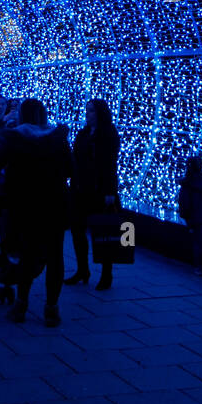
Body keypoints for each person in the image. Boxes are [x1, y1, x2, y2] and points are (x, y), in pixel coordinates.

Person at [0, 98, 72, 326]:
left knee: (27, 254)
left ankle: (21, 305)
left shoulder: (15, 138)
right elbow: (70, 169)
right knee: (55, 255)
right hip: (55, 204)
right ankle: (51, 309)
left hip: (25, 205)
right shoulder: (58, 138)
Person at [68, 98, 121, 289]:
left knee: (103, 232)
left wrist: (110, 191)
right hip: (80, 189)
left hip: (99, 190)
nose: (87, 113)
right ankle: (83, 269)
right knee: (77, 230)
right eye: (86, 110)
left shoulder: (108, 133)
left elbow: (110, 165)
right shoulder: (83, 133)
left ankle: (107, 274)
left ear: (100, 113)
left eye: (91, 110)